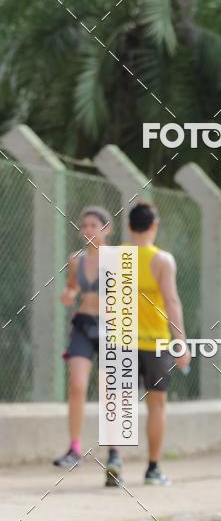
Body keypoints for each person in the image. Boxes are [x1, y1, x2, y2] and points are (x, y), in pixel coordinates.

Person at [54, 206, 122, 486]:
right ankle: (74, 449)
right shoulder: (76, 259)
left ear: (107, 229)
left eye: (94, 225)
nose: (88, 231)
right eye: (85, 226)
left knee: (110, 390)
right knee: (77, 385)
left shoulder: (118, 258)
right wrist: (68, 294)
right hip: (83, 324)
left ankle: (114, 453)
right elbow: (72, 286)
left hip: (111, 328)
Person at [126, 201, 190, 485]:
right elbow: (172, 301)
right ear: (154, 225)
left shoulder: (116, 257)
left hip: (121, 340)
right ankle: (152, 469)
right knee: (157, 406)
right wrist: (181, 342)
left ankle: (114, 460)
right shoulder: (162, 260)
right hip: (155, 343)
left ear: (129, 226)